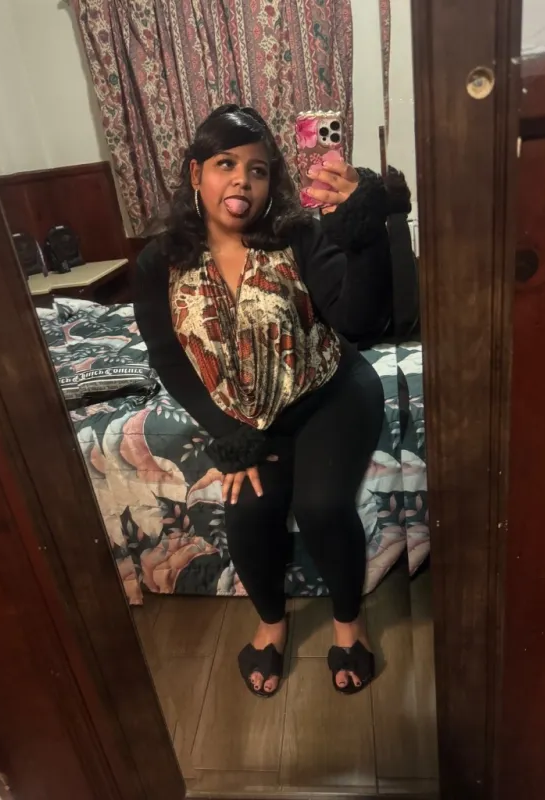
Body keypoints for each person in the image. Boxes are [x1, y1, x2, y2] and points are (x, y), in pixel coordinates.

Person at [134, 104, 397, 698]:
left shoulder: (296, 235)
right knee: (249, 513)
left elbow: (361, 321)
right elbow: (168, 357)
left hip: (329, 391)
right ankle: (272, 624)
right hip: (248, 417)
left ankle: (348, 621)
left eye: (257, 170)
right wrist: (226, 431)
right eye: (225, 165)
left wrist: (361, 233)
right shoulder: (159, 262)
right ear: (196, 172)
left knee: (322, 506)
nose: (242, 182)